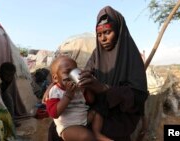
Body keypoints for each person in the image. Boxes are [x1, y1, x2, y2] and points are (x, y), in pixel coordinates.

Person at [77, 6, 149, 141]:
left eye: (108, 32)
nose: (103, 38)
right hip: (96, 108)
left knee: (108, 132)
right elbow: (84, 75)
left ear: (118, 31)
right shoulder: (96, 55)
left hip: (121, 113)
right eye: (99, 34)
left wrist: (105, 88)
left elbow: (139, 96)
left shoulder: (131, 56)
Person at [46, 56, 109, 141]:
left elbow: (90, 101)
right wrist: (68, 95)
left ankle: (97, 132)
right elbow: (54, 114)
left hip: (84, 119)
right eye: (67, 72)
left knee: (98, 110)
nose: (72, 76)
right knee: (86, 136)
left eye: (74, 71)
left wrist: (87, 88)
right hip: (68, 126)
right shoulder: (55, 91)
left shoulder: (79, 88)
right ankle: (93, 136)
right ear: (55, 78)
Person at [0, 62, 20, 127]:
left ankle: (11, 121)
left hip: (2, 91)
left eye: (11, 75)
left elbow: (4, 89)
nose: (9, 78)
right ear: (2, 73)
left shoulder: (10, 78)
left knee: (9, 101)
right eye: (7, 75)